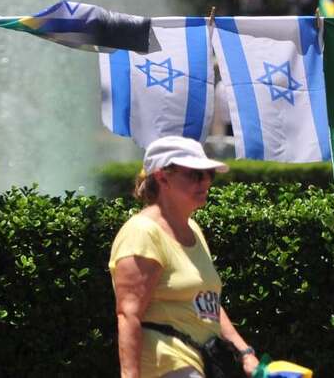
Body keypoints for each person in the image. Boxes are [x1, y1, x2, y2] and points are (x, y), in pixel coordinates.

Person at [109, 136, 260, 378]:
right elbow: (128, 315)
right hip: (166, 365)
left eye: (209, 174)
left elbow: (206, 301)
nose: (205, 182)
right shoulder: (142, 232)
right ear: (162, 176)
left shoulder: (193, 229)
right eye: (194, 175)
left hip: (200, 362)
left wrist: (245, 354)